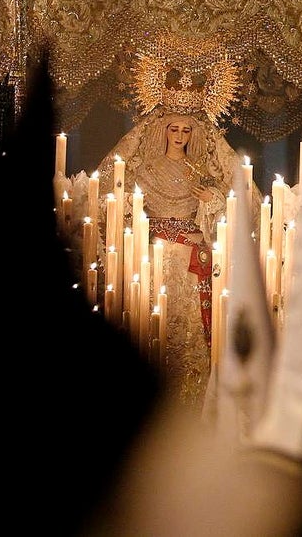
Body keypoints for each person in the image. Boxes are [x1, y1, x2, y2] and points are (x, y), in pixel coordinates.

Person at [98, 107, 258, 410]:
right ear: (164, 130)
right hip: (154, 254)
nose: (180, 136)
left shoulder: (200, 172)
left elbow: (225, 212)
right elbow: (126, 209)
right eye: (174, 129)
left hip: (191, 260)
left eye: (186, 131)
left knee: (190, 328)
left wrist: (211, 202)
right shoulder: (146, 170)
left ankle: (194, 388)